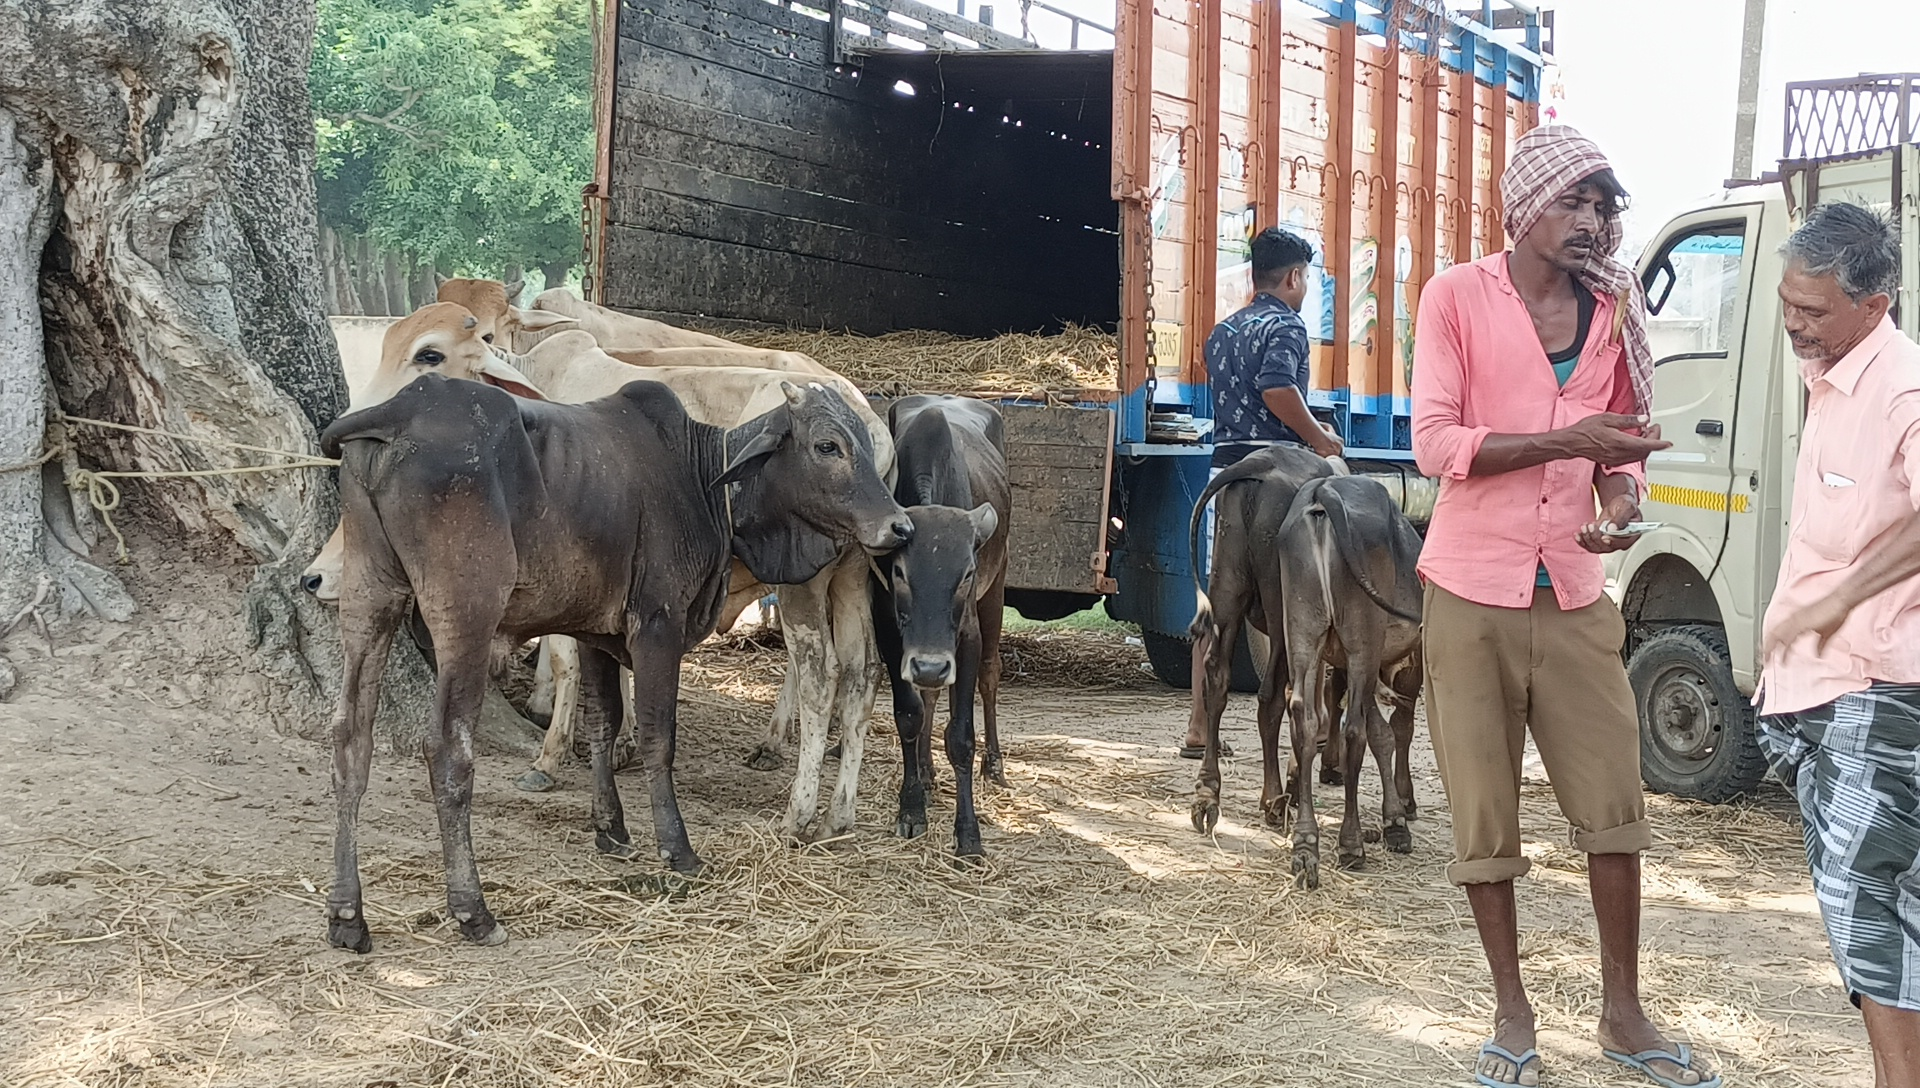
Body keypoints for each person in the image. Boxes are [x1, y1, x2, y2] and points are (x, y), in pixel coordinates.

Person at [1411, 125, 1718, 1088]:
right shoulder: (1456, 297)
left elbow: (1619, 449)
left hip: (1577, 594)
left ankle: (1624, 1014)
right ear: (1523, 206)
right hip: (1470, 591)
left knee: (1614, 809)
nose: (1590, 221)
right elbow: (1436, 444)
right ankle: (1513, 1015)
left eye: (1602, 206)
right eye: (1572, 202)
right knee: (1485, 817)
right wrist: (1566, 444)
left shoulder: (1613, 309)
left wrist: (1621, 506)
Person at [1756, 202, 1920, 1088]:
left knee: (1869, 904)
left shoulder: (1903, 387)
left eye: (1812, 311)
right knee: (1871, 906)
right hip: (1817, 688)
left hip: (1878, 687)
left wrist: (1843, 600)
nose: (1792, 323)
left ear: (1875, 303)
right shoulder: (1834, 375)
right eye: (1787, 303)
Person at [1180, 226, 1341, 758]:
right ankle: (1314, 723)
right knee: (1309, 593)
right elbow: (1277, 388)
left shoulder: (1221, 331)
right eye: (1306, 278)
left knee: (1217, 605)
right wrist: (1319, 437)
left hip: (1225, 475)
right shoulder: (1288, 326)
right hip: (1282, 476)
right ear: (1294, 276)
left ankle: (1200, 727)